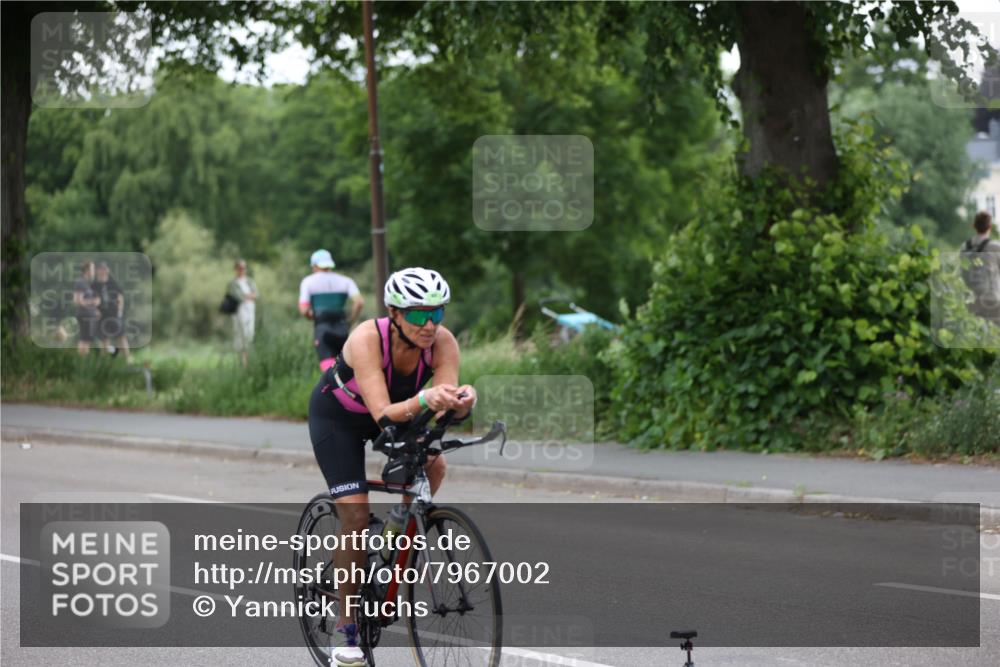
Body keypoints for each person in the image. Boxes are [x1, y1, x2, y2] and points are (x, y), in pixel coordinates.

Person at [307, 267, 476, 667]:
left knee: (433, 465)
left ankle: (395, 539)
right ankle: (346, 630)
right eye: (418, 315)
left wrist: (462, 401)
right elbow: (383, 413)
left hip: (395, 414)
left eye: (438, 313)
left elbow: (443, 404)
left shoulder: (443, 342)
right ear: (394, 314)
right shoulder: (367, 338)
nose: (429, 324)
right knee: (355, 513)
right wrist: (427, 399)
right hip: (339, 419)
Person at [299, 249, 365, 371]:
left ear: (314, 265)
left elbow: (304, 310)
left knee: (329, 371)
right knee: (347, 369)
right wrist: (351, 320)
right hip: (342, 327)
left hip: (322, 328)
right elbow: (359, 302)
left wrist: (314, 317)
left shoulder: (308, 282)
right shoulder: (346, 281)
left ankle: (333, 387)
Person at [960, 211, 1000, 327]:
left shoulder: (965, 247)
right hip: (993, 298)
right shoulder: (995, 247)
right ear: (990, 227)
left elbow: (963, 272)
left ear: (974, 226)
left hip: (972, 300)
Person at [93, 262, 130, 360]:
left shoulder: (113, 283)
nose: (103, 271)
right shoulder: (94, 285)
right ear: (97, 271)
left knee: (121, 337)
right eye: (101, 269)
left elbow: (120, 298)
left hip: (114, 315)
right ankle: (104, 362)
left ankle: (127, 359)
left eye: (104, 269)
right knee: (103, 340)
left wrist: (120, 312)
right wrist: (94, 311)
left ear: (107, 271)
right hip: (101, 317)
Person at [227, 259, 258, 367]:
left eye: (244, 268)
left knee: (249, 334)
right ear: (236, 269)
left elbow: (256, 294)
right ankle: (242, 362)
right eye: (240, 268)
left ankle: (248, 362)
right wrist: (248, 296)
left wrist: (247, 296)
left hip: (250, 311)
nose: (242, 270)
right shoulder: (233, 283)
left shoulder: (249, 281)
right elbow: (238, 297)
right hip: (239, 312)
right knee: (241, 335)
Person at [72, 261, 100, 356]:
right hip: (84, 315)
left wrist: (95, 310)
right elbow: (77, 301)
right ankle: (81, 362)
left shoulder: (87, 284)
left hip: (90, 316)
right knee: (84, 340)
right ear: (87, 270)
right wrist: (93, 301)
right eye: (93, 269)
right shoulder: (80, 282)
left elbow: (87, 300)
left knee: (87, 340)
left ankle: (84, 362)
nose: (94, 271)